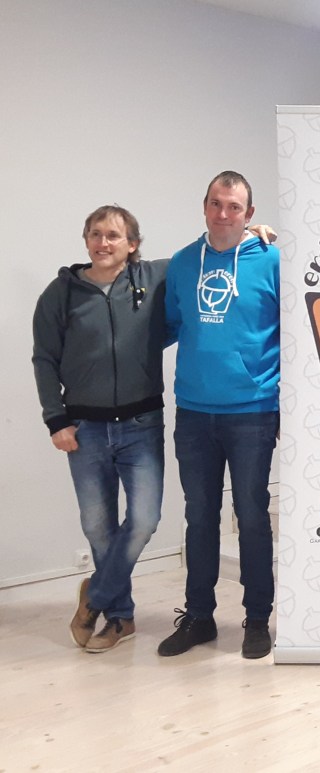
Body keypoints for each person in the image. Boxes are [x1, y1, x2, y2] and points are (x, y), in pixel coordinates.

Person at [158, 171, 280, 660]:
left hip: (252, 411)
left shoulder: (272, 260)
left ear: (249, 214)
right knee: (200, 516)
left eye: (234, 206)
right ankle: (199, 617)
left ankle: (257, 619)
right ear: (204, 206)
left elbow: (296, 330)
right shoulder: (184, 263)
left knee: (251, 515)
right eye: (216, 203)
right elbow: (168, 325)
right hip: (193, 411)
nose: (223, 214)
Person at [32, 205, 166, 653]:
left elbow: (205, 253)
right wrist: (56, 420)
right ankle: (121, 619)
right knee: (98, 527)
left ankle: (96, 597)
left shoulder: (152, 279)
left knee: (144, 520)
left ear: (132, 244)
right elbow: (44, 359)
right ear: (86, 240)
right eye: (95, 234)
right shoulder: (61, 294)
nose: (102, 243)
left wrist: (249, 234)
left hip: (141, 425)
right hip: (85, 428)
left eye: (113, 235)